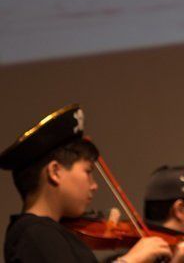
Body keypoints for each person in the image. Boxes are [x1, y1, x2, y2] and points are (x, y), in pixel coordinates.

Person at [1, 105, 172, 263]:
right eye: (88, 171)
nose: (94, 185)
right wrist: (131, 260)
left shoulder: (52, 232)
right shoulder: (34, 235)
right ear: (55, 172)